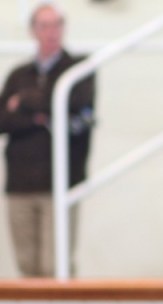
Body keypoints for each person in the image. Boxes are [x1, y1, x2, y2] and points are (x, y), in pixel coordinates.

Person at [0, 2, 94, 278]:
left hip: (60, 183)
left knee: (55, 267)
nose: (51, 31)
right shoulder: (18, 75)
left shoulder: (78, 70)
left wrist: (25, 102)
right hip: (20, 184)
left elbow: (75, 107)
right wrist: (40, 116)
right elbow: (3, 120)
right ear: (33, 31)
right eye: (44, 25)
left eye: (57, 24)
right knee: (27, 267)